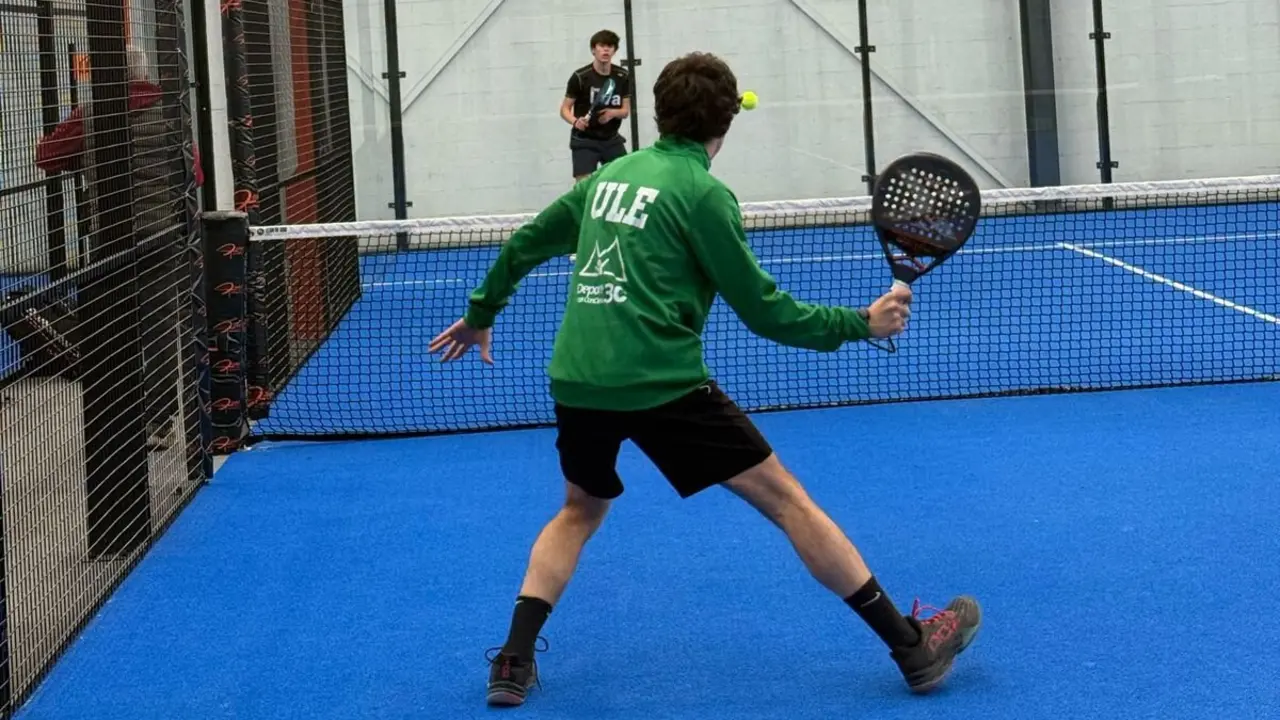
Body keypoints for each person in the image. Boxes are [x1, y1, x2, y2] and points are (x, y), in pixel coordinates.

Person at [430, 51, 981, 708]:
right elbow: (766, 312)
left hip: (578, 380)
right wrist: (861, 323)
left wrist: (480, 315)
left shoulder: (607, 178)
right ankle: (912, 646)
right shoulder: (704, 194)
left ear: (660, 113)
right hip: (664, 385)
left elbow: (523, 244)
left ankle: (513, 660)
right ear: (726, 123)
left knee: (579, 509)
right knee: (788, 502)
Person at [36, 44, 202, 451]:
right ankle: (160, 420)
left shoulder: (92, 114)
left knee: (112, 326)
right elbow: (195, 174)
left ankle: (115, 414)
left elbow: (46, 157)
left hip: (110, 239)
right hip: (163, 234)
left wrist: (83, 156)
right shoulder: (171, 111)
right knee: (162, 329)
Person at [561, 29, 631, 182]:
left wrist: (612, 114)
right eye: (601, 46)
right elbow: (564, 109)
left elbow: (625, 111)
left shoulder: (622, 76)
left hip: (611, 139)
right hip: (584, 140)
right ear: (593, 50)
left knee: (624, 182)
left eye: (610, 46)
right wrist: (575, 121)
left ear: (614, 51)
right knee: (583, 187)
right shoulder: (580, 77)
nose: (606, 50)